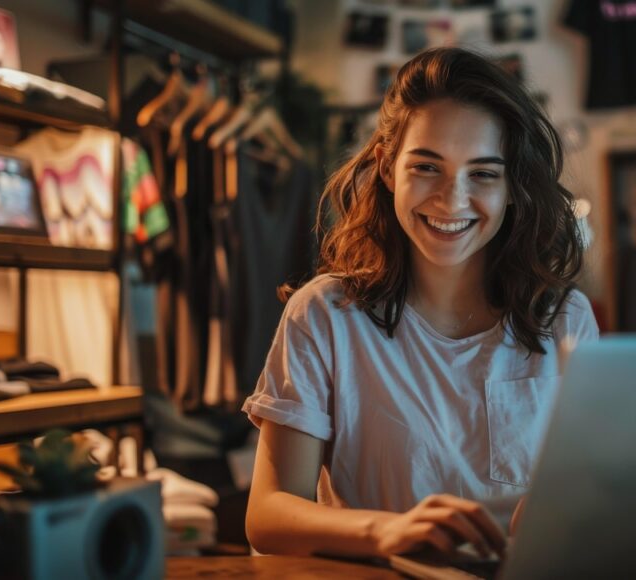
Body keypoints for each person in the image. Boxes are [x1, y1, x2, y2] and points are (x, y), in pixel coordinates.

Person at [243, 47, 599, 560]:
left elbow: (595, 491)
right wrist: (384, 532)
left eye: (482, 173)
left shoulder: (565, 320)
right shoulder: (323, 316)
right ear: (388, 170)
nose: (452, 200)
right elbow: (268, 514)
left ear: (512, 188)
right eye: (427, 167)